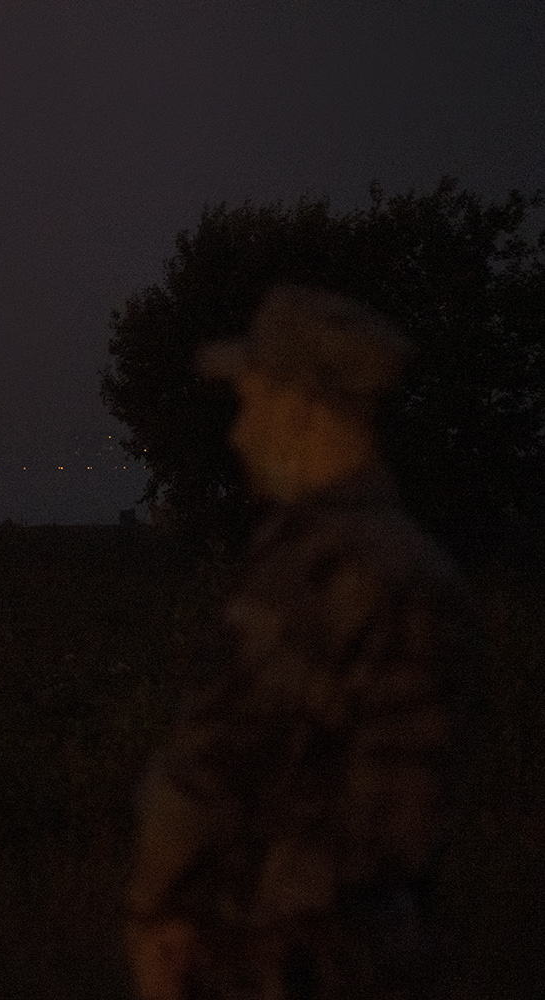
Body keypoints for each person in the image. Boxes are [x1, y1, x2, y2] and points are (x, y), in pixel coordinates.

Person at [124, 286, 477, 1000]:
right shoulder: (430, 572)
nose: (238, 433)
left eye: (251, 403)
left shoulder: (309, 571)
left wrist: (150, 909)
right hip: (393, 950)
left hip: (279, 963)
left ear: (299, 410)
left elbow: (206, 770)